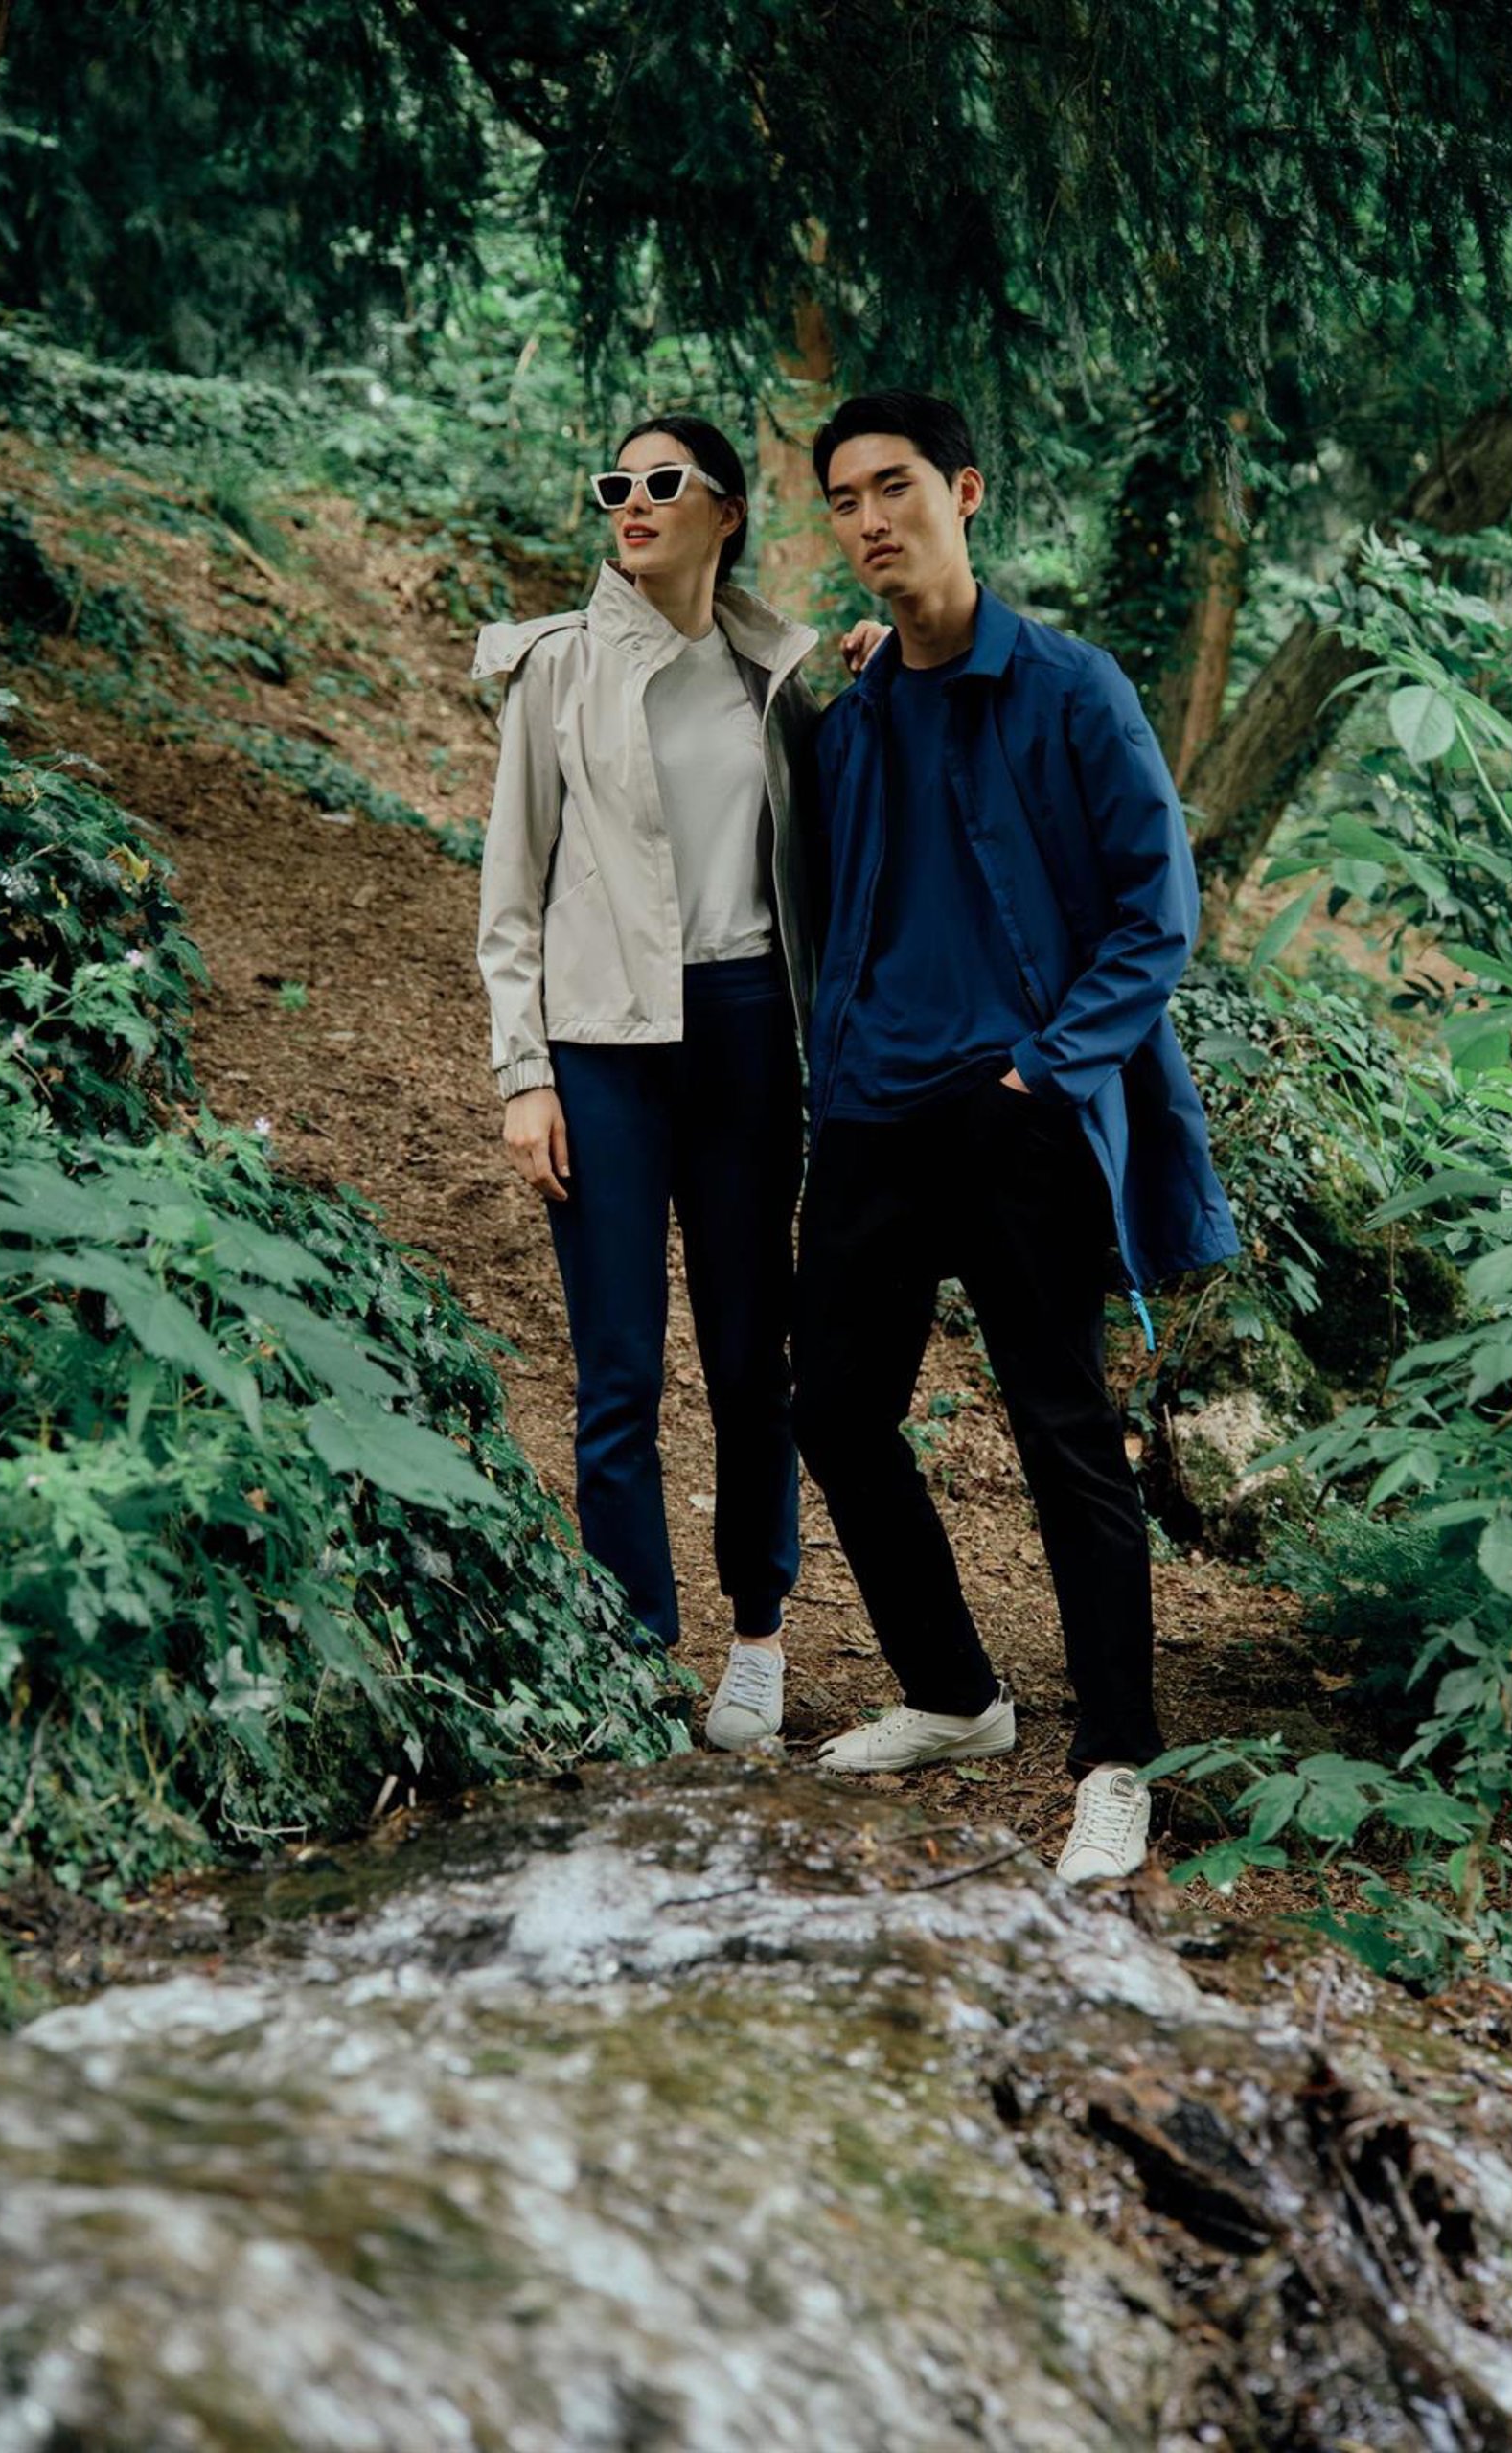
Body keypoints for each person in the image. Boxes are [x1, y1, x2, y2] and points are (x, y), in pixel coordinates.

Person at [792, 388, 1239, 1882]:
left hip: (1014, 1115)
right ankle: (953, 1695)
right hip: (869, 1114)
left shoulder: (1070, 688)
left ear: (964, 492)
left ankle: (1117, 1759)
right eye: (845, 498)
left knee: (1063, 1434)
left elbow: (1156, 913)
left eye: (896, 486)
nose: (871, 519)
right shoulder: (857, 719)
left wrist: (1045, 1073)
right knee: (835, 1412)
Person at [474, 415, 882, 1752]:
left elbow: (843, 824)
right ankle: (634, 1649)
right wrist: (525, 1073)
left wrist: (878, 677)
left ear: (726, 512)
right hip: (602, 1043)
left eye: (663, 483)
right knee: (616, 1369)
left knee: (751, 1357)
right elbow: (510, 896)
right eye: (618, 484)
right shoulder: (558, 666)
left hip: (748, 1029)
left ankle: (757, 1638)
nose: (633, 503)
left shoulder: (778, 675)